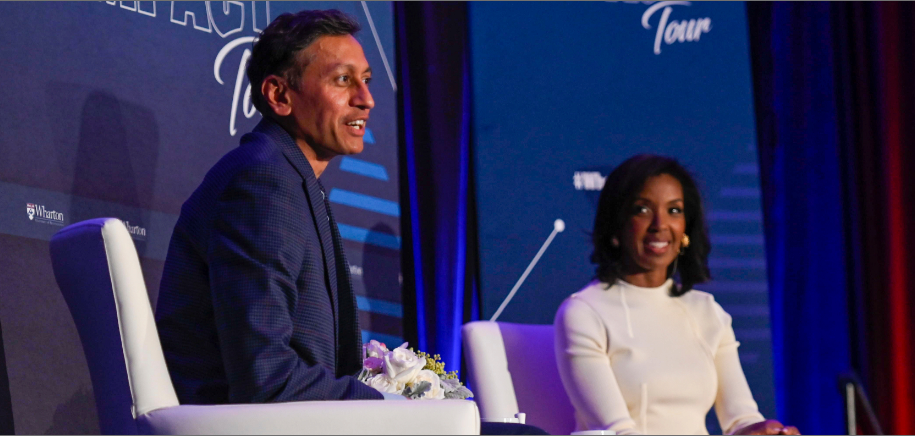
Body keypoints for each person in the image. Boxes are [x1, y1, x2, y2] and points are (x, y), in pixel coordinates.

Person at [153, 9, 545, 434]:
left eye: (367, 80)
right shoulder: (263, 181)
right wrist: (391, 406)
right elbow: (266, 375)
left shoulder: (286, 178)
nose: (367, 99)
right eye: (343, 80)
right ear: (280, 95)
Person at [554, 154, 799, 435]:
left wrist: (763, 431)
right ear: (616, 226)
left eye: (674, 210)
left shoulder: (706, 311)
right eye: (642, 209)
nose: (660, 224)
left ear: (686, 229)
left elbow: (740, 420)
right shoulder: (585, 312)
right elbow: (616, 430)